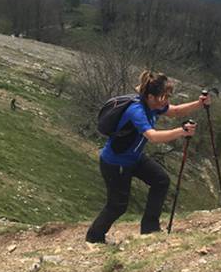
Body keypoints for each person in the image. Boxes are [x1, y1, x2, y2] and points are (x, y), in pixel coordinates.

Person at [85, 70, 210, 244]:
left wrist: (199, 104)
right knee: (118, 205)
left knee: (161, 180)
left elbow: (174, 111)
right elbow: (152, 136)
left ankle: (150, 230)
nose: (166, 101)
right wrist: (181, 132)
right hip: (116, 163)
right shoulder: (136, 110)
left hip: (133, 158)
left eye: (167, 97)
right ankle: (94, 237)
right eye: (163, 97)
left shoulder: (153, 105)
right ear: (150, 96)